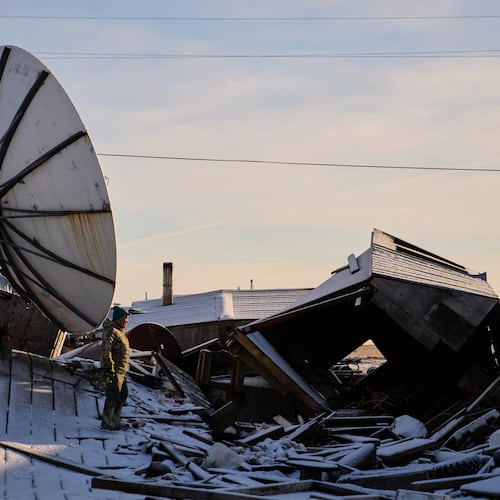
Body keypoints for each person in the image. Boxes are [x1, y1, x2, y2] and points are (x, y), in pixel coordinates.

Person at [100, 306, 130, 430]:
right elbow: (106, 351)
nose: (126, 321)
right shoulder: (110, 331)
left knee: (122, 395)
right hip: (112, 370)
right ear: (118, 318)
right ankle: (107, 421)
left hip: (121, 371)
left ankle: (116, 420)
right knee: (113, 395)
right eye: (125, 318)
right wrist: (109, 369)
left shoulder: (120, 333)